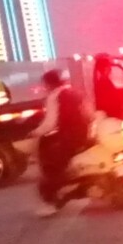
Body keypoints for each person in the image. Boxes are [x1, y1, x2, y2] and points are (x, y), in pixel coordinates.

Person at [30, 70, 91, 216]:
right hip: (84, 135)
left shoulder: (54, 97)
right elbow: (89, 114)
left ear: (48, 83)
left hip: (69, 137)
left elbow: (50, 123)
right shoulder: (74, 92)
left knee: (51, 169)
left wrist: (35, 132)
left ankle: (51, 203)